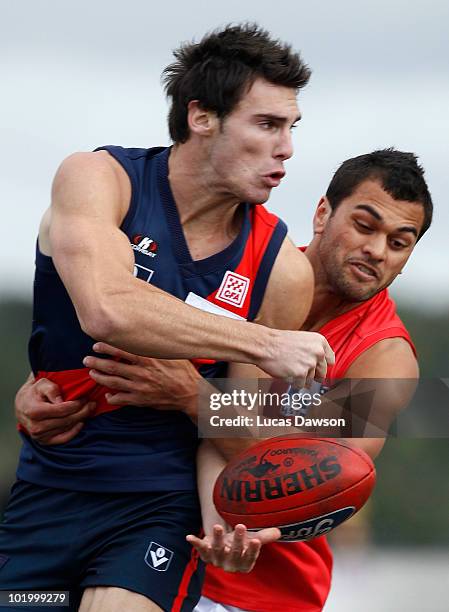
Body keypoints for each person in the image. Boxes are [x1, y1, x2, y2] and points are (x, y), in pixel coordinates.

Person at [0, 23, 335, 612]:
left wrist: (220, 523)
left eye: (291, 128)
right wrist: (263, 342)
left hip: (157, 508)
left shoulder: (280, 267)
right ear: (201, 116)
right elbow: (108, 308)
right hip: (46, 492)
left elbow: (232, 426)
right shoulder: (100, 178)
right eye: (267, 125)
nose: (287, 148)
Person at [15, 149, 433, 611]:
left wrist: (195, 398)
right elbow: (121, 338)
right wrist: (39, 390)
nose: (376, 250)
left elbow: (316, 480)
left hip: (257, 591)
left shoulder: (386, 358)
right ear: (321, 213)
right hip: (126, 540)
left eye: (399, 242)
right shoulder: (248, 269)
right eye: (364, 225)